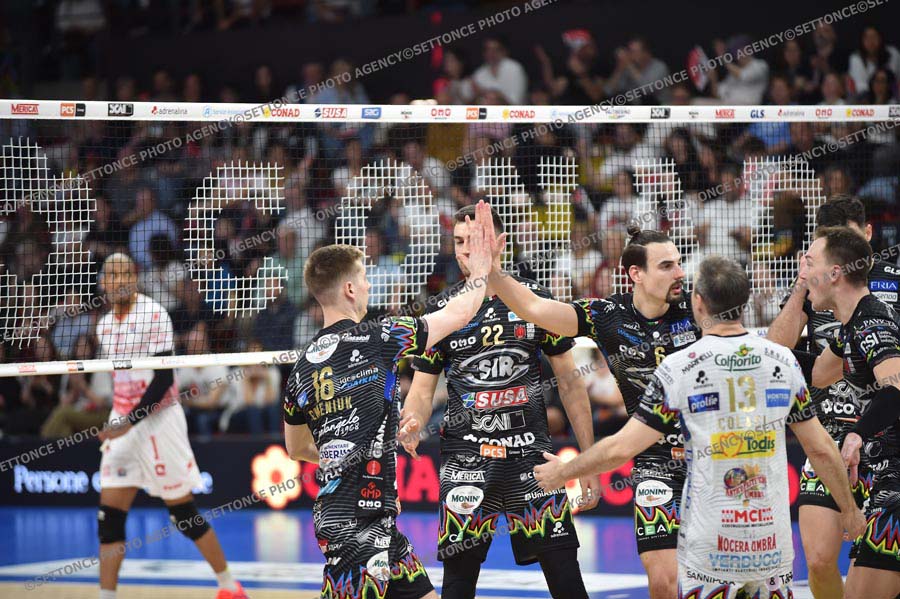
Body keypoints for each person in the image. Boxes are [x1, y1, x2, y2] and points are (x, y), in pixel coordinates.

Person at [531, 255, 867, 598]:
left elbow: (622, 447)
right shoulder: (783, 362)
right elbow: (820, 449)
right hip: (769, 548)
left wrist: (565, 471)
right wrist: (851, 511)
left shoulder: (679, 367)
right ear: (745, 302)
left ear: (698, 302)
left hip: (710, 554)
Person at [282, 202, 495, 599]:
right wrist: (482, 267)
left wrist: (357, 458)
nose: (367, 286)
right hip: (355, 525)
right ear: (349, 289)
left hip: (372, 519)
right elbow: (459, 314)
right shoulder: (379, 337)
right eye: (363, 279)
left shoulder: (301, 367)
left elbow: (296, 448)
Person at [485, 224, 702, 599]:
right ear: (636, 274)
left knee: (717, 577)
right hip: (653, 461)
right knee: (663, 580)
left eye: (679, 263)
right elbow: (534, 308)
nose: (680, 273)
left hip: (709, 454)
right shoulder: (607, 314)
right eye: (667, 266)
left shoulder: (699, 309)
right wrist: (491, 269)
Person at [402, 205, 599, 599]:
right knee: (457, 585)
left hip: (533, 461)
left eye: (475, 240)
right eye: (459, 241)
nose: (465, 250)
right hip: (466, 464)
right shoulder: (441, 311)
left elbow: (571, 385)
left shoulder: (535, 300)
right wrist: (413, 420)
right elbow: (422, 391)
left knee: (566, 579)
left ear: (500, 243)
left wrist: (588, 461)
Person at [767, 196, 900, 599]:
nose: (804, 271)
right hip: (862, 456)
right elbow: (817, 372)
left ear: (836, 272)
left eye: (810, 263)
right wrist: (735, 348)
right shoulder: (850, 326)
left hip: (889, 471)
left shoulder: (871, 322)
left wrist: (857, 434)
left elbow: (896, 387)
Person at [94, 253, 246, 599]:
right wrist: (119, 422)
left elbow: (163, 381)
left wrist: (127, 423)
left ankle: (229, 586)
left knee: (183, 514)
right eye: (111, 275)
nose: (118, 280)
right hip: (123, 423)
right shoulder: (103, 326)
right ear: (103, 283)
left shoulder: (154, 314)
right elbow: (121, 381)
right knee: (109, 519)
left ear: (134, 278)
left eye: (125, 273)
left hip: (159, 422)